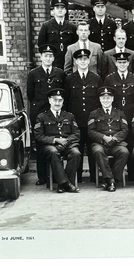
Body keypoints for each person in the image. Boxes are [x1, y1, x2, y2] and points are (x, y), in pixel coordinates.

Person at [27, 44, 65, 185]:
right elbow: (30, 95)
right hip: (39, 114)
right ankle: (42, 176)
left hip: (55, 114)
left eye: (51, 56)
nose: (48, 58)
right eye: (45, 55)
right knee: (40, 144)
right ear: (41, 57)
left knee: (56, 143)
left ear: (54, 58)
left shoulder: (60, 73)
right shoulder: (33, 74)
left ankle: (56, 175)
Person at [64, 48, 103, 182]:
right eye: (80, 59)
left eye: (85, 59)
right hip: (76, 121)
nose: (83, 61)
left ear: (89, 60)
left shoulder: (96, 78)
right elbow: (67, 101)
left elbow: (99, 101)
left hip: (92, 122)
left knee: (93, 149)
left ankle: (94, 177)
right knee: (77, 148)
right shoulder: (69, 79)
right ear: (75, 61)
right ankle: (78, 177)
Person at [33, 88, 81, 193]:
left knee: (76, 153)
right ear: (50, 100)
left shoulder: (69, 116)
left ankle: (63, 184)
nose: (57, 103)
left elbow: (77, 134)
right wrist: (55, 140)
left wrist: (66, 141)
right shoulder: (42, 117)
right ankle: (66, 184)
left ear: (63, 102)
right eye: (55, 100)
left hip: (68, 145)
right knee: (53, 152)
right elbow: (38, 136)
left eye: (60, 100)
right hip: (50, 146)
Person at [88, 86, 129, 192]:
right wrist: (104, 137)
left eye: (108, 98)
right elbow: (91, 131)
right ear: (100, 99)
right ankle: (110, 179)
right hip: (100, 143)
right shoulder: (94, 114)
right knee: (97, 151)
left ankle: (111, 180)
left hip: (116, 144)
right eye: (103, 98)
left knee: (124, 152)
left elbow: (125, 130)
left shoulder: (120, 113)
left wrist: (115, 138)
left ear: (112, 99)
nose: (106, 100)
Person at [37, 0, 77, 70]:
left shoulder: (72, 27)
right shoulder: (46, 26)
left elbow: (75, 44)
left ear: (65, 10)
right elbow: (41, 44)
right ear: (53, 11)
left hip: (68, 62)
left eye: (62, 8)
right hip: (53, 62)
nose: (60, 10)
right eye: (57, 8)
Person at [103, 51, 134, 126]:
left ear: (128, 63)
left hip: (131, 114)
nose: (122, 65)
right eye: (120, 62)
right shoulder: (109, 79)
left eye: (124, 62)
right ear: (116, 63)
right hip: (114, 115)